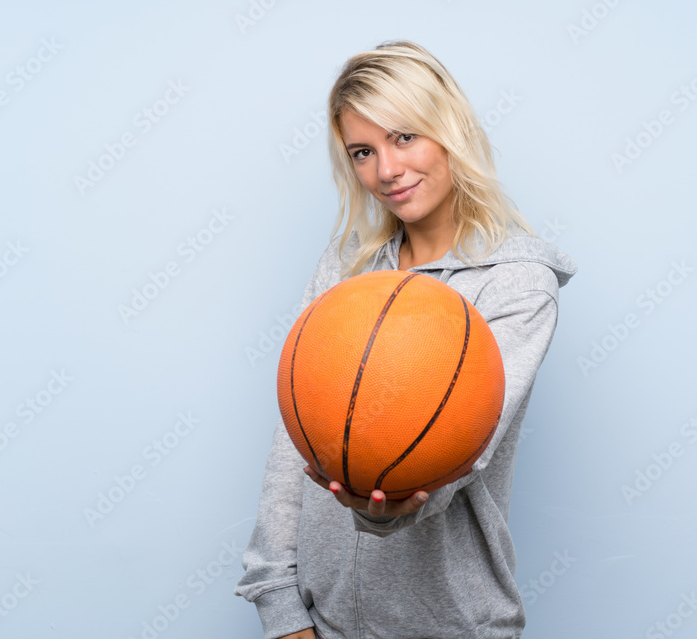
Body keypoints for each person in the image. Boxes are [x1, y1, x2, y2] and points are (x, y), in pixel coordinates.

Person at [235, 40, 577, 639]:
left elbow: (460, 459)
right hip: (322, 622)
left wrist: (386, 507)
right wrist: (279, 605)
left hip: (453, 626)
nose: (386, 171)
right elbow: (293, 443)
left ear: (451, 132)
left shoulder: (519, 286)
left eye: (404, 137)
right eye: (362, 151)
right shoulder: (345, 271)